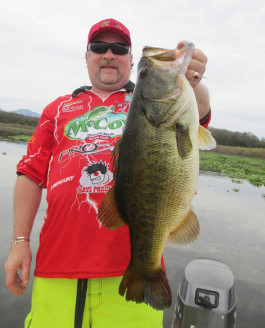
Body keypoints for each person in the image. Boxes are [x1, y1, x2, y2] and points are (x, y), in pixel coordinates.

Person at [5, 18, 211, 328]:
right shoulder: (56, 109)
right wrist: (20, 241)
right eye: (100, 47)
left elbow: (199, 119)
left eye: (120, 48)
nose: (109, 54)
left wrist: (193, 83)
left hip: (128, 273)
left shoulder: (147, 102)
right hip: (55, 269)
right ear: (87, 56)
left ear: (130, 59)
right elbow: (30, 175)